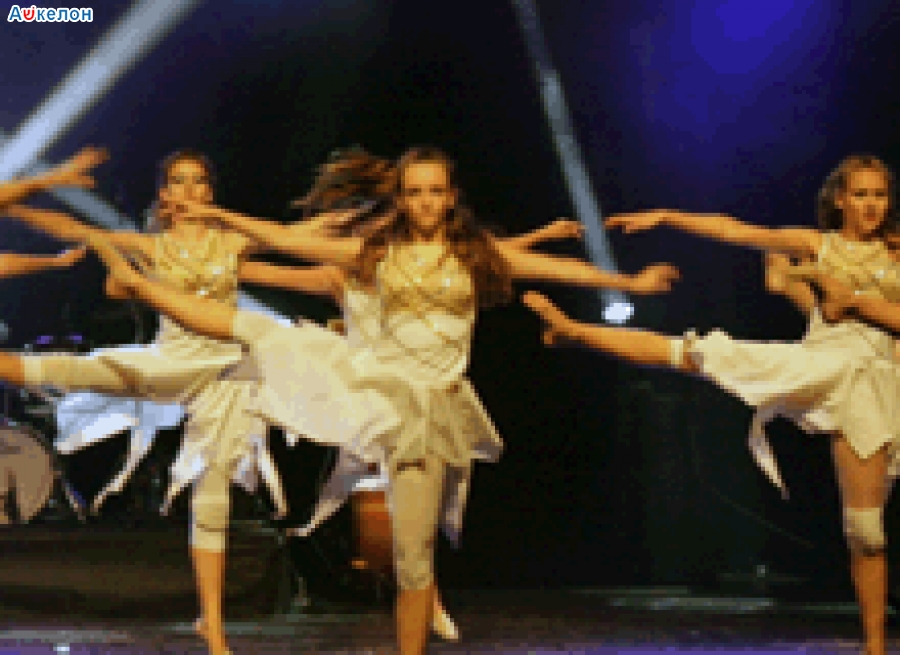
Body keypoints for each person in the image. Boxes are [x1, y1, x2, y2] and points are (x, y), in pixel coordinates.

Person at [121, 145, 677, 654]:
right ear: (402, 200)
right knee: (410, 555)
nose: (425, 202)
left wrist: (629, 285)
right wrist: (214, 216)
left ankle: (430, 606)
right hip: (391, 405)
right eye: (414, 192)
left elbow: (559, 268)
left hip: (442, 410)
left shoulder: (473, 254)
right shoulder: (374, 254)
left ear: (451, 197)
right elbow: (287, 242)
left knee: (422, 547)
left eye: (435, 191)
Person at [523, 154, 898, 655]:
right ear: (840, 200)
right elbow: (732, 230)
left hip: (880, 381)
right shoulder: (817, 245)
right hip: (823, 363)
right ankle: (575, 331)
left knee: (867, 531)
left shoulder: (896, 251)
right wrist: (668, 217)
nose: (871, 205)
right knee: (700, 352)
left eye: (880, 195)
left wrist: (850, 302)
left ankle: (875, 643)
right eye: (861, 194)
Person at [247, 210, 583, 642]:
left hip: (418, 396)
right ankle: (425, 592)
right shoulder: (338, 280)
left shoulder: (419, 274)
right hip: (372, 395)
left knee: (423, 499)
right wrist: (215, 259)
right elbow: (265, 269)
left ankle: (425, 590)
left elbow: (485, 254)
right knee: (392, 491)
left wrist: (540, 234)